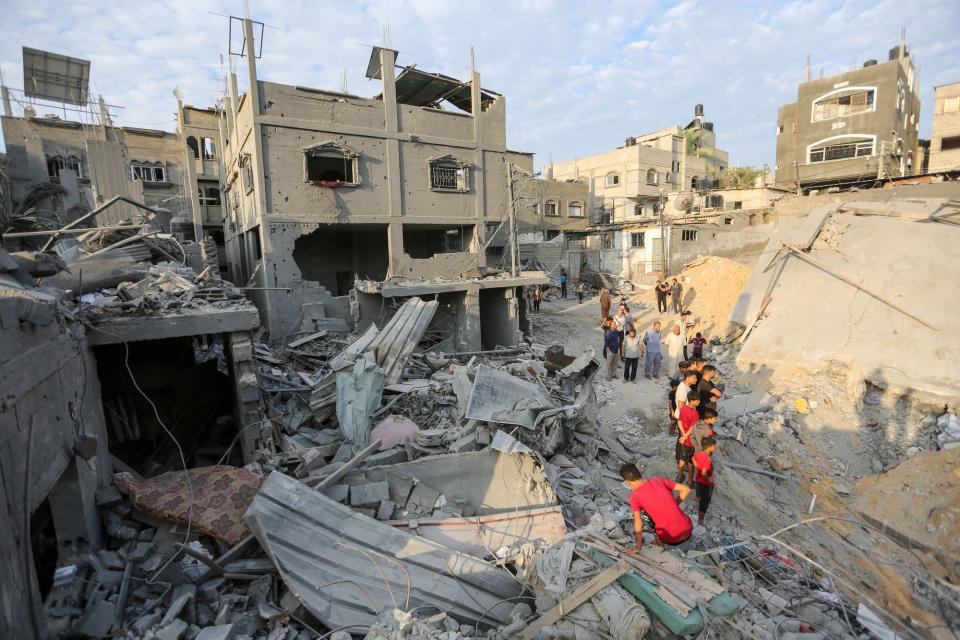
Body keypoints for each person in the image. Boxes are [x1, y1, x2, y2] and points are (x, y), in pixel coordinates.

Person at [619, 463, 693, 552]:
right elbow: (686, 489)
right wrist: (675, 504)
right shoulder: (658, 481)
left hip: (671, 539)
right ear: (640, 474)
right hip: (688, 530)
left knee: (645, 515)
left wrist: (638, 547)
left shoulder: (634, 497)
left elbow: (638, 523)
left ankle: (659, 541)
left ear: (628, 482)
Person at [692, 436, 717, 525]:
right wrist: (709, 479)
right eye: (714, 446)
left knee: (699, 495)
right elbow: (703, 473)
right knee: (704, 503)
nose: (715, 448)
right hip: (706, 484)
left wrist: (698, 468)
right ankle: (700, 521)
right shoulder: (708, 459)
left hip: (698, 481)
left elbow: (693, 459)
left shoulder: (699, 454)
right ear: (709, 447)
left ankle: (697, 500)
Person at [677, 393, 701, 484]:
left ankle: (679, 476)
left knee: (682, 459)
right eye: (697, 400)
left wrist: (683, 436)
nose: (699, 402)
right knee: (691, 462)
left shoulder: (683, 409)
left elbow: (679, 422)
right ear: (692, 401)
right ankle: (690, 481)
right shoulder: (695, 413)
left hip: (684, 440)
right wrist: (686, 436)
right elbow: (692, 428)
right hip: (691, 441)